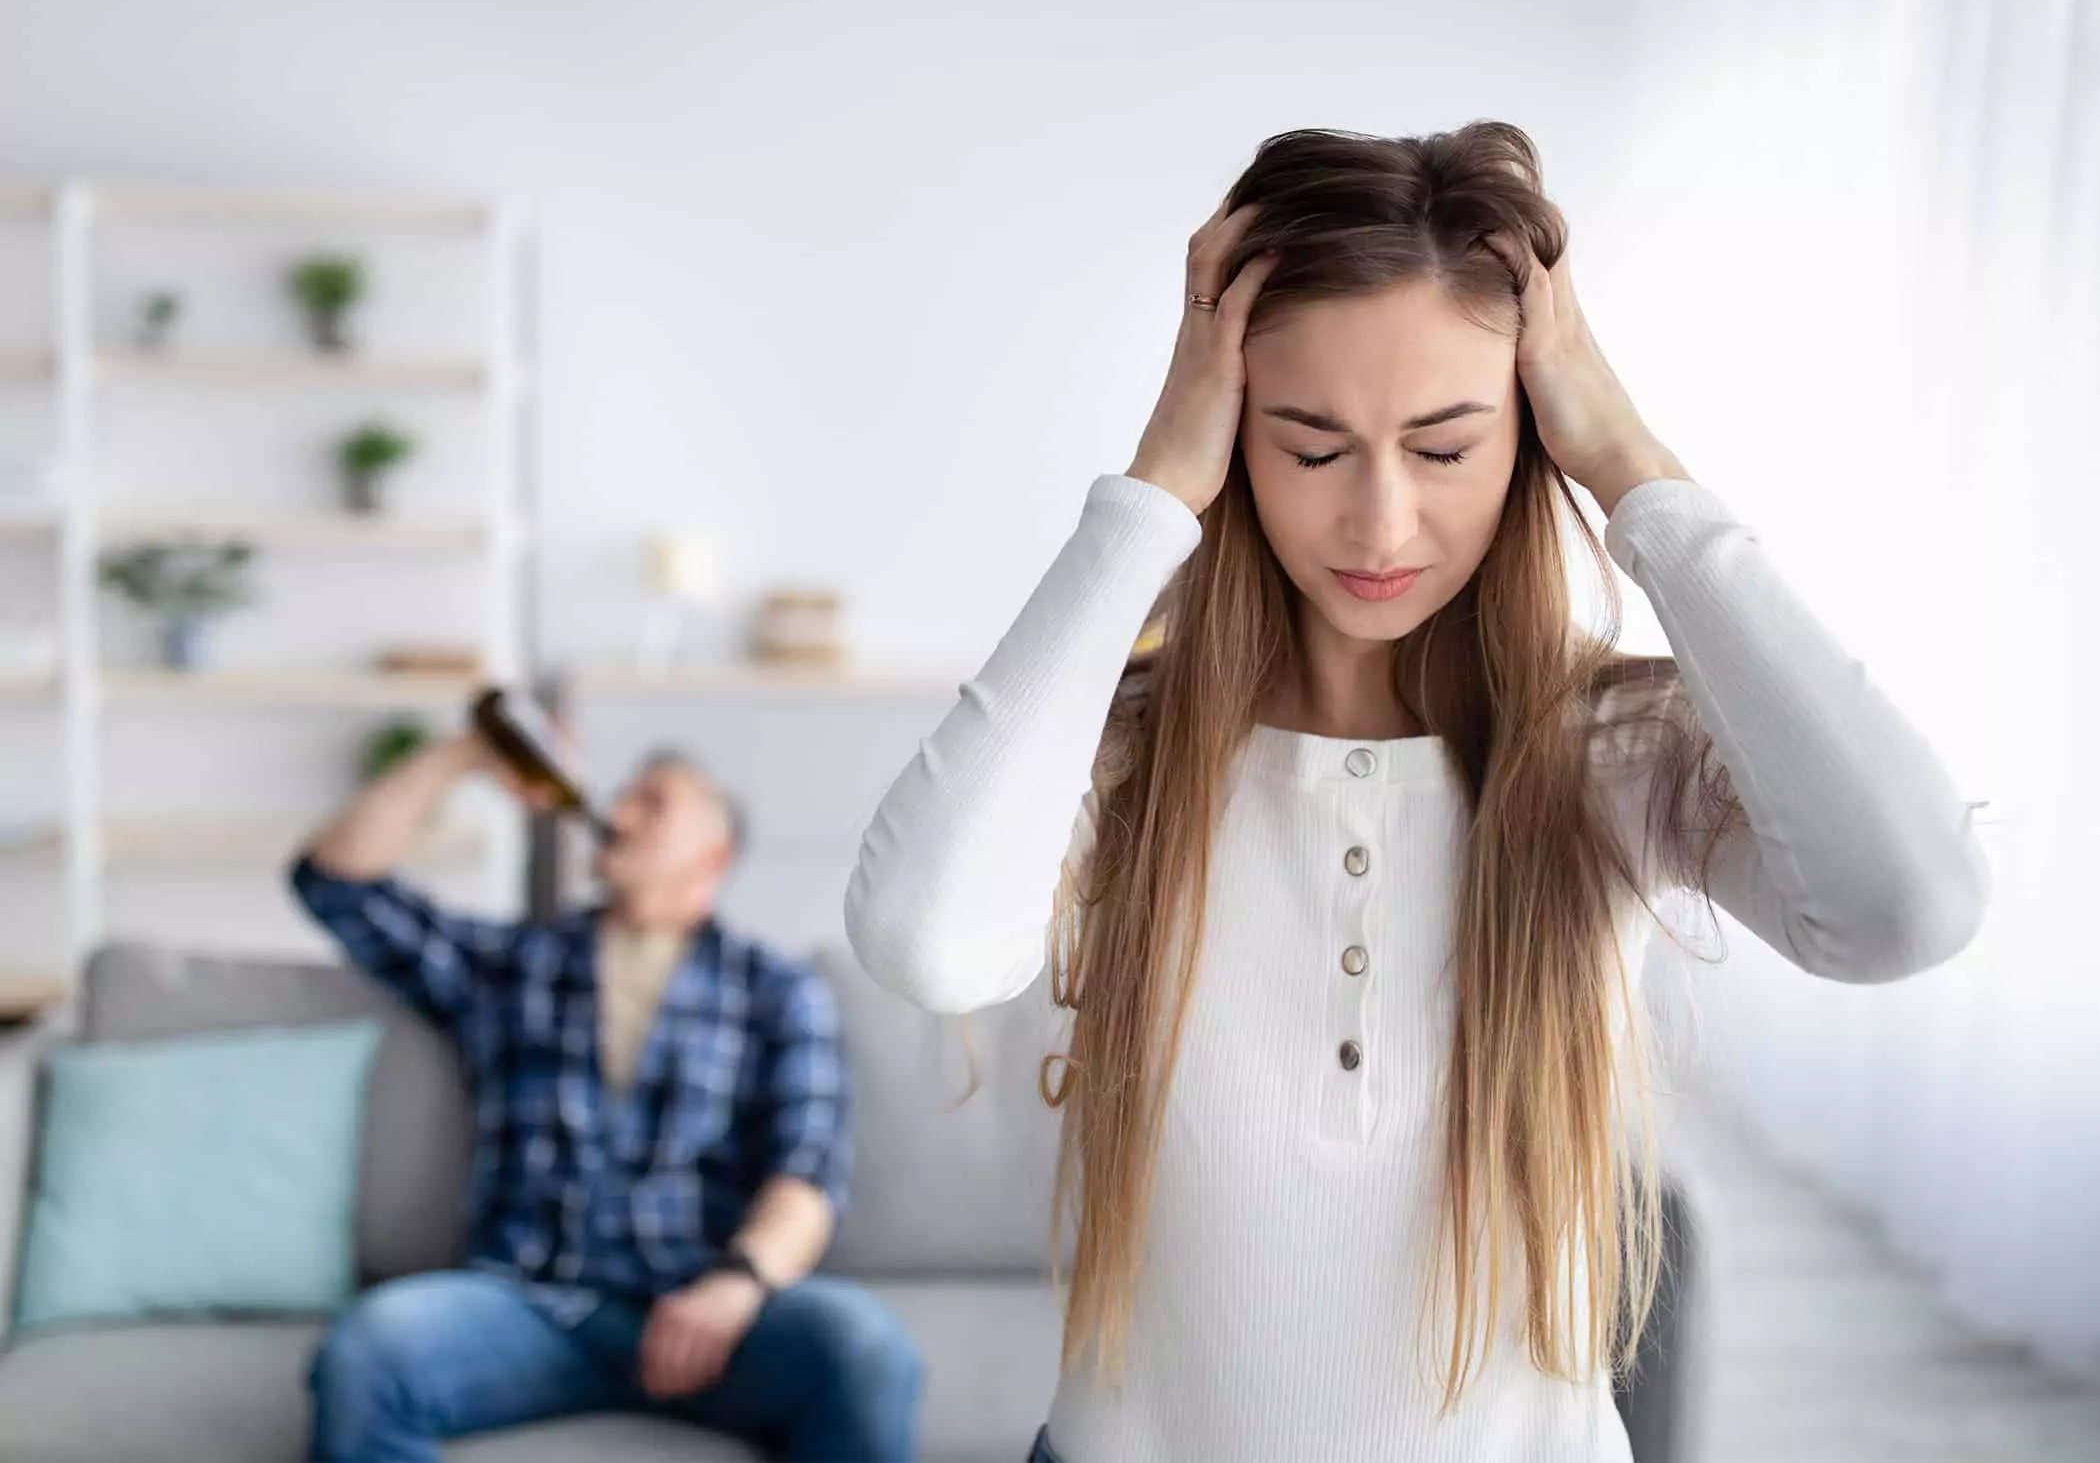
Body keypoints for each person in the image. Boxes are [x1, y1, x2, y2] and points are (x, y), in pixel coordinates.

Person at [844, 122, 1990, 1463]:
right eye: (1312, 449)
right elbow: (923, 942)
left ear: (1529, 436)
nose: (1380, 527)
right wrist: (1150, 495)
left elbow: (1911, 907)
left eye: (1445, 448)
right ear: (1230, 437)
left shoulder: (1614, 749)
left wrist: (1628, 460)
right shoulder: (1119, 752)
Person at [291, 732, 921, 1462]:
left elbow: (806, 1173)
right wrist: (465, 753)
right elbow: (333, 882)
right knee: (369, 1349)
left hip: (705, 1306)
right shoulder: (513, 965)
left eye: (652, 803)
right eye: (623, 795)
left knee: (865, 1351)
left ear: (712, 856)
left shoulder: (775, 991)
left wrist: (738, 1284)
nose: (618, 812)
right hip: (524, 1304)